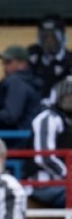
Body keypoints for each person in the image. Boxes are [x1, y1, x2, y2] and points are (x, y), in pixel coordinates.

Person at [0, 45, 42, 147]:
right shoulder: (27, 81)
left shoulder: (16, 82)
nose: (4, 66)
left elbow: (11, 117)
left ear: (22, 63)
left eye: (8, 62)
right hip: (26, 142)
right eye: (3, 62)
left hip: (16, 143)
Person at [26, 77, 72, 208]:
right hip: (43, 183)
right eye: (67, 97)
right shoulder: (47, 119)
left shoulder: (68, 122)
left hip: (62, 182)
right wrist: (67, 175)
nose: (70, 100)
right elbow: (44, 158)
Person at [27, 14, 72, 103]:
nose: (49, 41)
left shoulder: (69, 61)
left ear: (62, 37)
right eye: (45, 36)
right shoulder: (32, 56)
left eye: (53, 37)